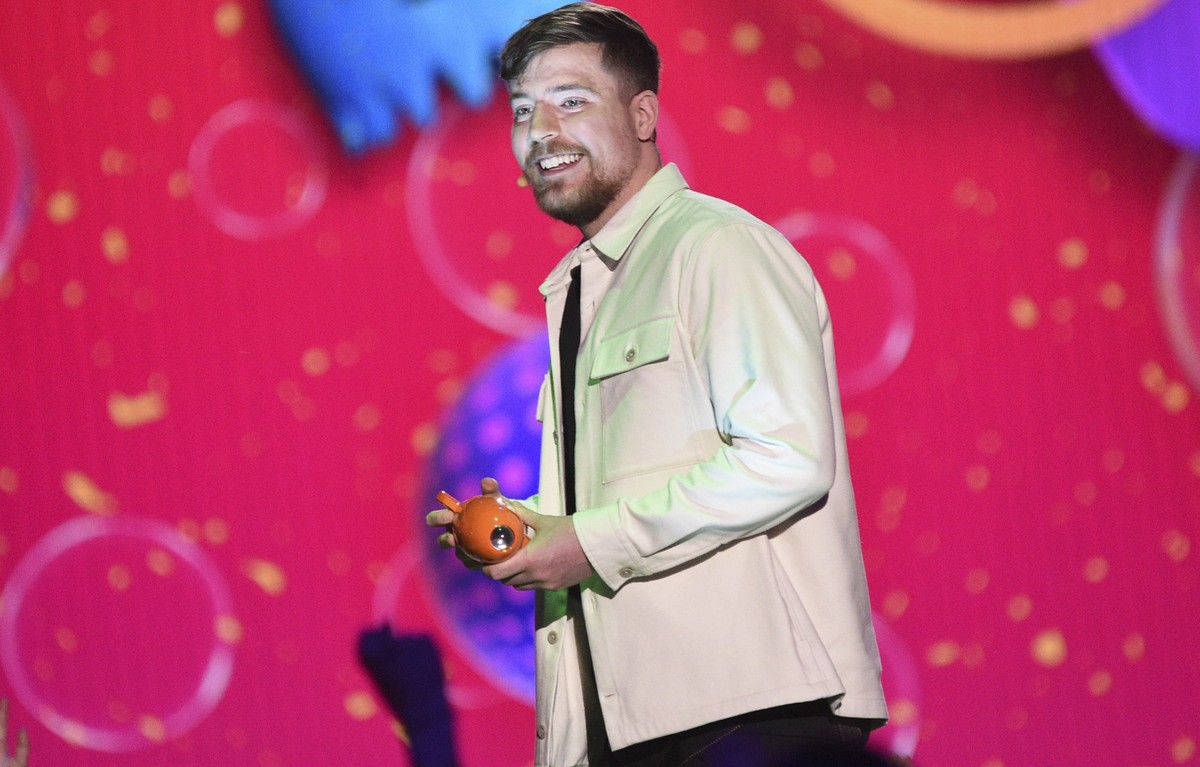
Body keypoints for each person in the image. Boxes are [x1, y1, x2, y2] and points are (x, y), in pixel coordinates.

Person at [427, 4, 888, 765]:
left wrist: (588, 540)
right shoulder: (580, 289)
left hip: (753, 718)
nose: (540, 130)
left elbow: (787, 457)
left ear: (643, 115)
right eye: (521, 110)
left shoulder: (717, 248)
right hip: (635, 728)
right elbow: (636, 490)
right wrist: (536, 530)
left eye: (570, 101)